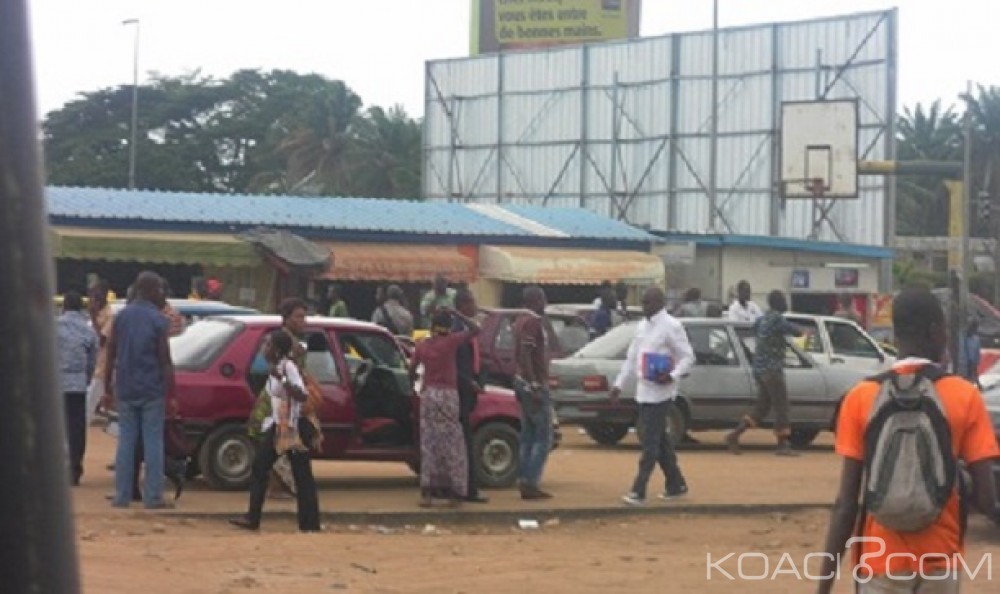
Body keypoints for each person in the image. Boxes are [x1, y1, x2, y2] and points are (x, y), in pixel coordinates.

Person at [815, 288, 999, 594]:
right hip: (940, 562)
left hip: (880, 563)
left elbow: (846, 504)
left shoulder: (860, 397)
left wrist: (824, 586)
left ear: (896, 334)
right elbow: (987, 499)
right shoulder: (965, 396)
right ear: (935, 331)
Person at [610, 287, 695, 506]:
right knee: (661, 441)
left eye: (648, 302)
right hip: (643, 391)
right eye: (643, 302)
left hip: (662, 393)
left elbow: (687, 357)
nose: (644, 307)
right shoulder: (641, 326)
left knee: (650, 443)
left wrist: (672, 375)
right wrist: (619, 385)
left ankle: (638, 490)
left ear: (659, 303)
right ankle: (676, 484)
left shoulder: (672, 326)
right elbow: (632, 359)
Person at [231, 330, 320, 532]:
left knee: (299, 475)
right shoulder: (276, 368)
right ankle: (254, 518)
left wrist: (283, 379)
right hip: (281, 423)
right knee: (262, 467)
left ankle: (309, 524)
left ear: (278, 350)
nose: (264, 348)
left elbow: (302, 395)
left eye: (268, 345)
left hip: (293, 426)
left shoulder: (287, 367)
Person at [102, 271, 176, 509]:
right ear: (151, 290)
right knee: (153, 442)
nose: (162, 294)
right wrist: (171, 393)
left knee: (126, 442)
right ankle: (153, 497)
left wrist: (107, 388)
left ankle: (122, 496)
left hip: (125, 387)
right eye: (160, 289)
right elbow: (165, 360)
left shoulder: (121, 317)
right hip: (152, 388)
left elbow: (110, 353)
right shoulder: (158, 320)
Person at [409, 307, 480, 507]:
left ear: (432, 326)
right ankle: (454, 493)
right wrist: (458, 313)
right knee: (452, 444)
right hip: (448, 395)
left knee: (429, 443)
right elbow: (476, 329)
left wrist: (415, 386)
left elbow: (412, 370)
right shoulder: (451, 342)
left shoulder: (422, 346)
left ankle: (428, 494)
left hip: (429, 396)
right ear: (448, 326)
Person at [725, 290, 803, 456]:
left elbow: (754, 331)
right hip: (772, 369)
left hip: (759, 369)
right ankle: (782, 444)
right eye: (783, 300)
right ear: (778, 303)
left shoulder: (762, 319)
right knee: (782, 406)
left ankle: (734, 435)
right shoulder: (777, 319)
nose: (786, 303)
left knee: (762, 407)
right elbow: (797, 332)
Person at [248, 297, 310, 499]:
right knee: (280, 446)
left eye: (304, 317)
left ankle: (277, 487)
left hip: (279, 400)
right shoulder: (285, 342)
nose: (303, 321)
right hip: (278, 402)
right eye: (298, 317)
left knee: (276, 447)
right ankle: (280, 488)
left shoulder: (290, 341)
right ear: (286, 318)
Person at [513, 286, 554, 500]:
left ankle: (524, 479)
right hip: (533, 384)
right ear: (534, 300)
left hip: (521, 381)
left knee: (527, 435)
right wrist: (535, 384)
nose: (545, 303)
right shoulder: (532, 322)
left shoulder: (519, 320)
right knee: (542, 436)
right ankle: (531, 481)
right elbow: (526, 354)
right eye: (542, 299)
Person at [57, 290, 98, 486]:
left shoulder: (53, 327)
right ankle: (74, 469)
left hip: (56, 385)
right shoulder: (88, 330)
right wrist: (86, 378)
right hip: (78, 386)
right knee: (76, 429)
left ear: (63, 306)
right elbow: (92, 361)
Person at [452, 288, 488, 504]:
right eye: (472, 302)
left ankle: (467, 487)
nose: (475, 306)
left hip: (468, 389)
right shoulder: (457, 329)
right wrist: (469, 382)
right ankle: (468, 488)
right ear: (463, 305)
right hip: (460, 390)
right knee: (464, 440)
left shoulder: (464, 327)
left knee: (466, 438)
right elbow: (454, 364)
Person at [85, 279, 114, 424]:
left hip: (103, 363)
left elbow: (102, 340)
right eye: (91, 294)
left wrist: (93, 316)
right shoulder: (95, 312)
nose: (93, 298)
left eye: (96, 295)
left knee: (91, 398)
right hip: (90, 362)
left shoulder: (109, 314)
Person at [963, 318, 981, 388]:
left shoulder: (976, 339)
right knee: (967, 375)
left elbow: (977, 351)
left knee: (974, 373)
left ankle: (977, 385)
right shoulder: (964, 338)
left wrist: (977, 361)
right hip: (965, 361)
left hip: (973, 361)